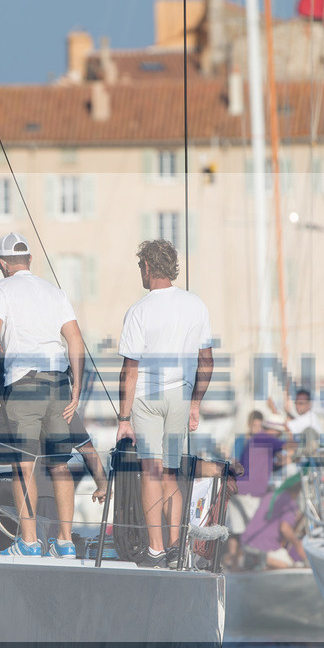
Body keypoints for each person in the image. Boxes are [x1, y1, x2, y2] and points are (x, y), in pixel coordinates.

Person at [0, 232, 85, 557]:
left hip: (24, 385)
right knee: (60, 465)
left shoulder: (1, 289)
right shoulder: (55, 292)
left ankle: (28, 542)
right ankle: (65, 542)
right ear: (29, 260)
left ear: (2, 264)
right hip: (59, 383)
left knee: (23, 466)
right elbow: (75, 339)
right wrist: (77, 388)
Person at [116, 239, 214, 567]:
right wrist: (195, 404)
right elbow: (206, 362)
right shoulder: (196, 305)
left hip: (147, 397)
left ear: (147, 267)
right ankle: (175, 548)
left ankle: (156, 549)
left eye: (140, 267)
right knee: (170, 473)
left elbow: (129, 371)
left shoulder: (139, 311)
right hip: (180, 395)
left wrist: (123, 419)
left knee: (151, 471)